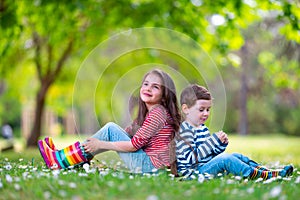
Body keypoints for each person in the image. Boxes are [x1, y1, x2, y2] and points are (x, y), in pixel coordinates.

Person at [38, 69, 181, 174]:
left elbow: (133, 146)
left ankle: (62, 159)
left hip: (149, 167)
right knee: (111, 131)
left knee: (111, 128)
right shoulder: (155, 113)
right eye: (146, 84)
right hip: (152, 166)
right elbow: (128, 134)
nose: (148, 88)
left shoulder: (158, 113)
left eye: (155, 87)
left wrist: (100, 144)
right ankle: (69, 158)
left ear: (164, 96)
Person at [175, 84, 293, 180]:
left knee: (236, 156)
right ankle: (259, 175)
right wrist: (212, 141)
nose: (206, 113)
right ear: (186, 109)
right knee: (226, 159)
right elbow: (191, 159)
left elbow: (210, 155)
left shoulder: (202, 128)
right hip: (193, 174)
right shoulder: (185, 130)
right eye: (201, 109)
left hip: (203, 167)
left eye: (208, 109)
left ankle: (265, 172)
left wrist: (220, 145)